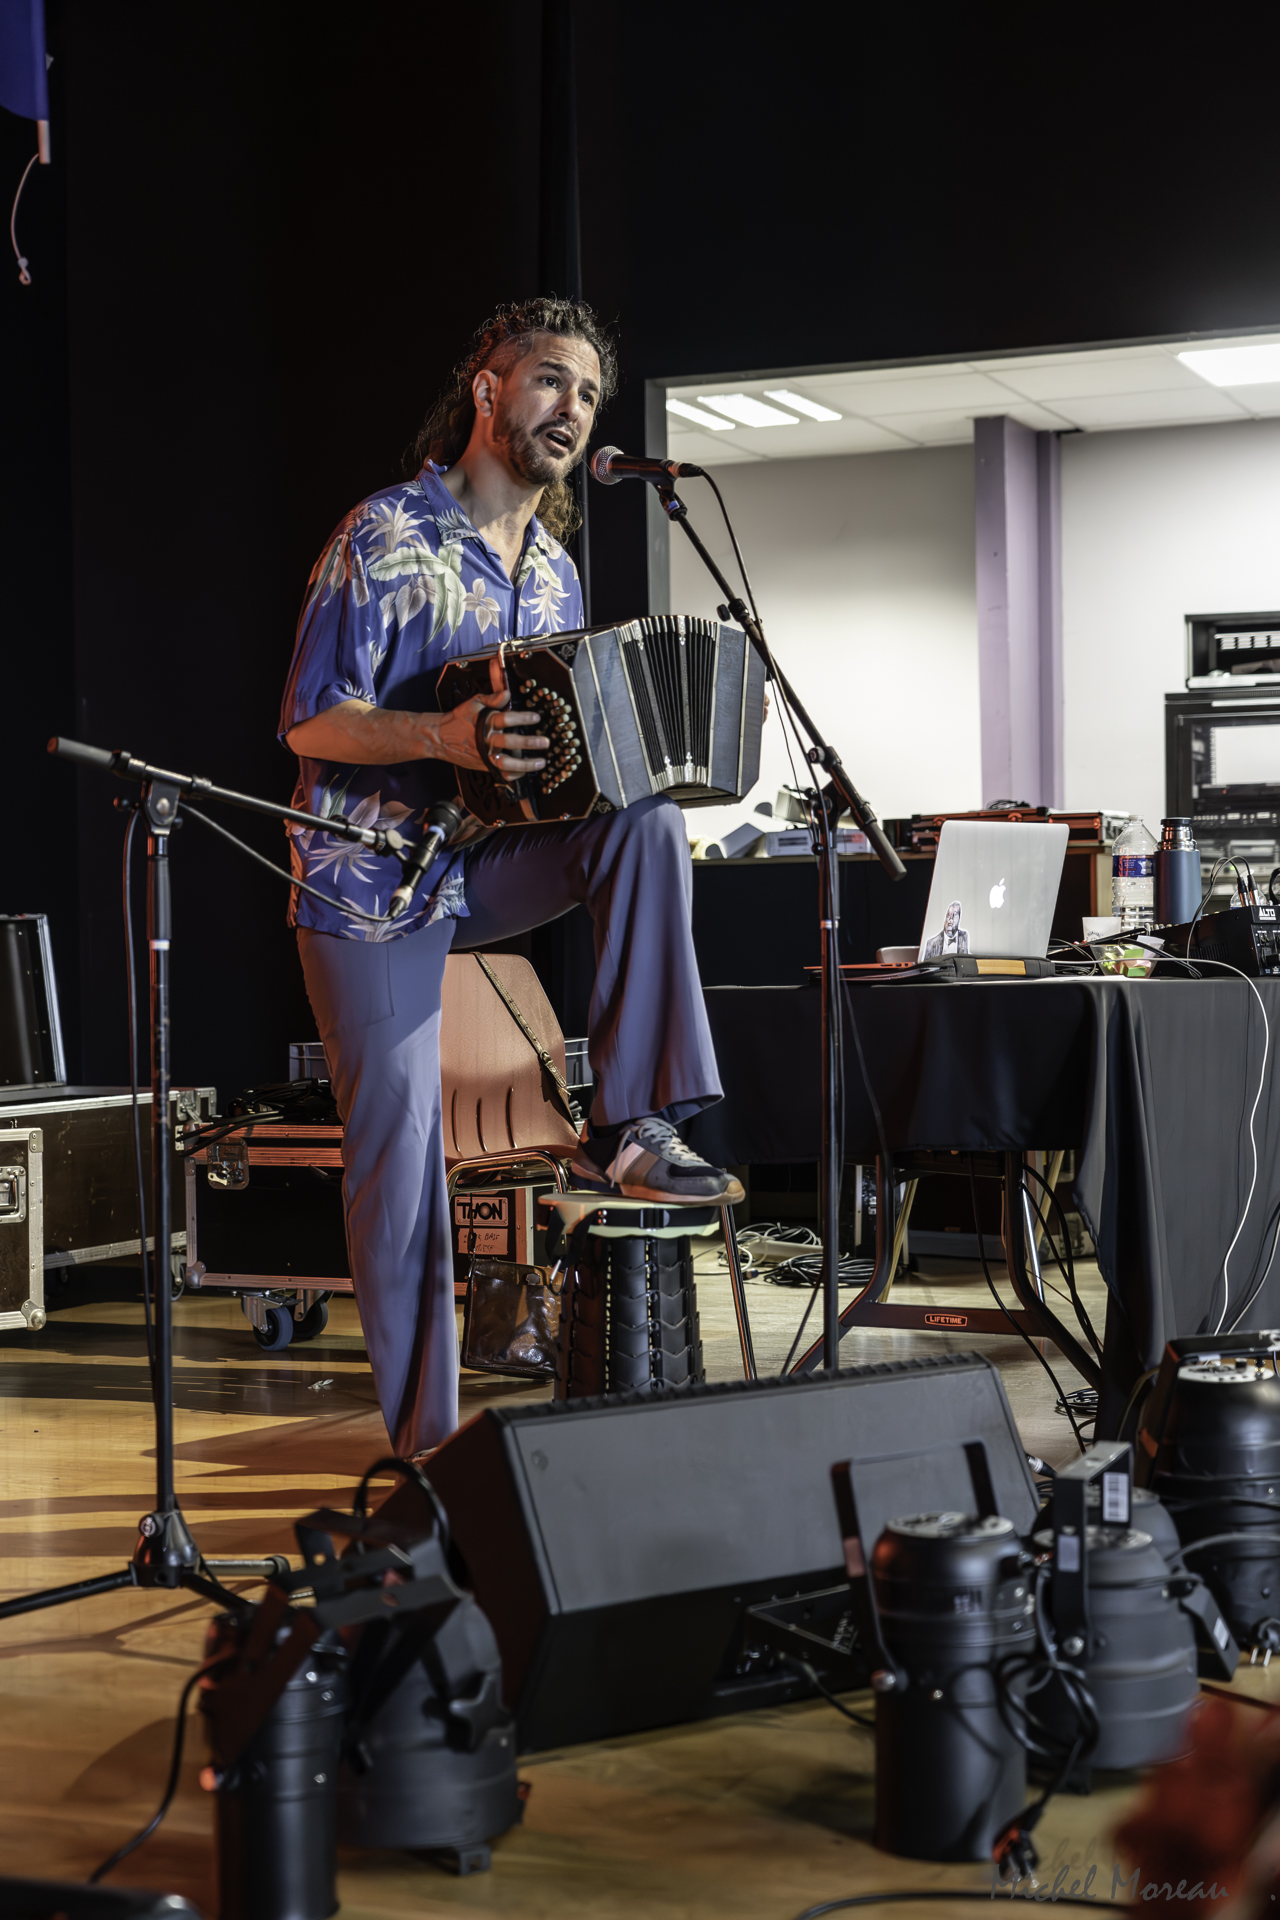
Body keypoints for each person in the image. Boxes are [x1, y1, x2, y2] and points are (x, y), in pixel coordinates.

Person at [279, 297, 741, 1457]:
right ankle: (426, 1448)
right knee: (399, 1160)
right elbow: (310, 725)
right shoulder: (381, 534)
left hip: (476, 869)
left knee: (641, 821)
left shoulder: (554, 573)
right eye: (548, 381)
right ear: (485, 389)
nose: (570, 410)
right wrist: (444, 738)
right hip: (367, 885)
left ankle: (629, 1123)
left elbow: (555, 762)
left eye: (586, 395)